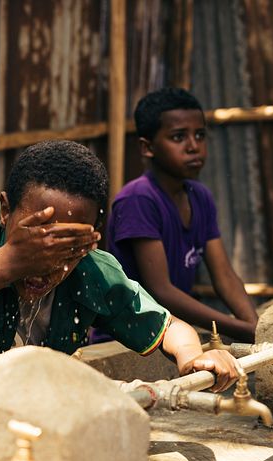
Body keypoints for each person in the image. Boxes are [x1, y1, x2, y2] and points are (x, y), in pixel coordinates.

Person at [0, 140, 239, 392]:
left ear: (93, 238)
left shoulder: (92, 271)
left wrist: (194, 357)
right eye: (34, 239)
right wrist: (4, 265)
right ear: (5, 211)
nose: (46, 263)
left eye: (67, 247)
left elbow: (169, 326)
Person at [105, 87, 257, 343]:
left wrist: (255, 327)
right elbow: (161, 291)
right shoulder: (139, 199)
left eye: (200, 135)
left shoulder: (200, 196)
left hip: (174, 333)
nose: (193, 147)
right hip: (129, 342)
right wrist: (241, 329)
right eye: (178, 137)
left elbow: (225, 278)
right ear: (147, 147)